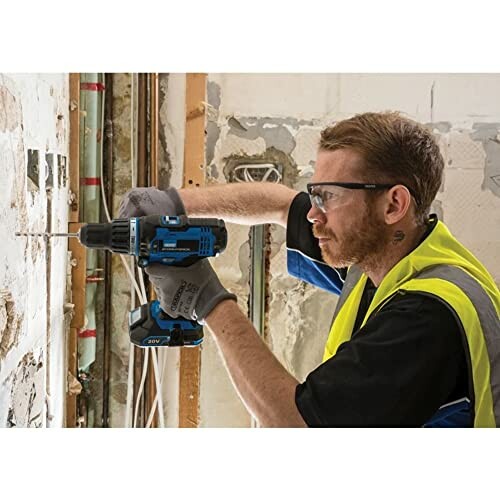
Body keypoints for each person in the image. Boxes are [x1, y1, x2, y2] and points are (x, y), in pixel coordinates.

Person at [119, 111, 500, 427]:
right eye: (315, 193)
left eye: (329, 197)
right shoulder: (385, 258)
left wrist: (207, 300)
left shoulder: (427, 317)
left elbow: (295, 424)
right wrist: (173, 201)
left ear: (393, 205)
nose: (314, 214)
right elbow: (283, 205)